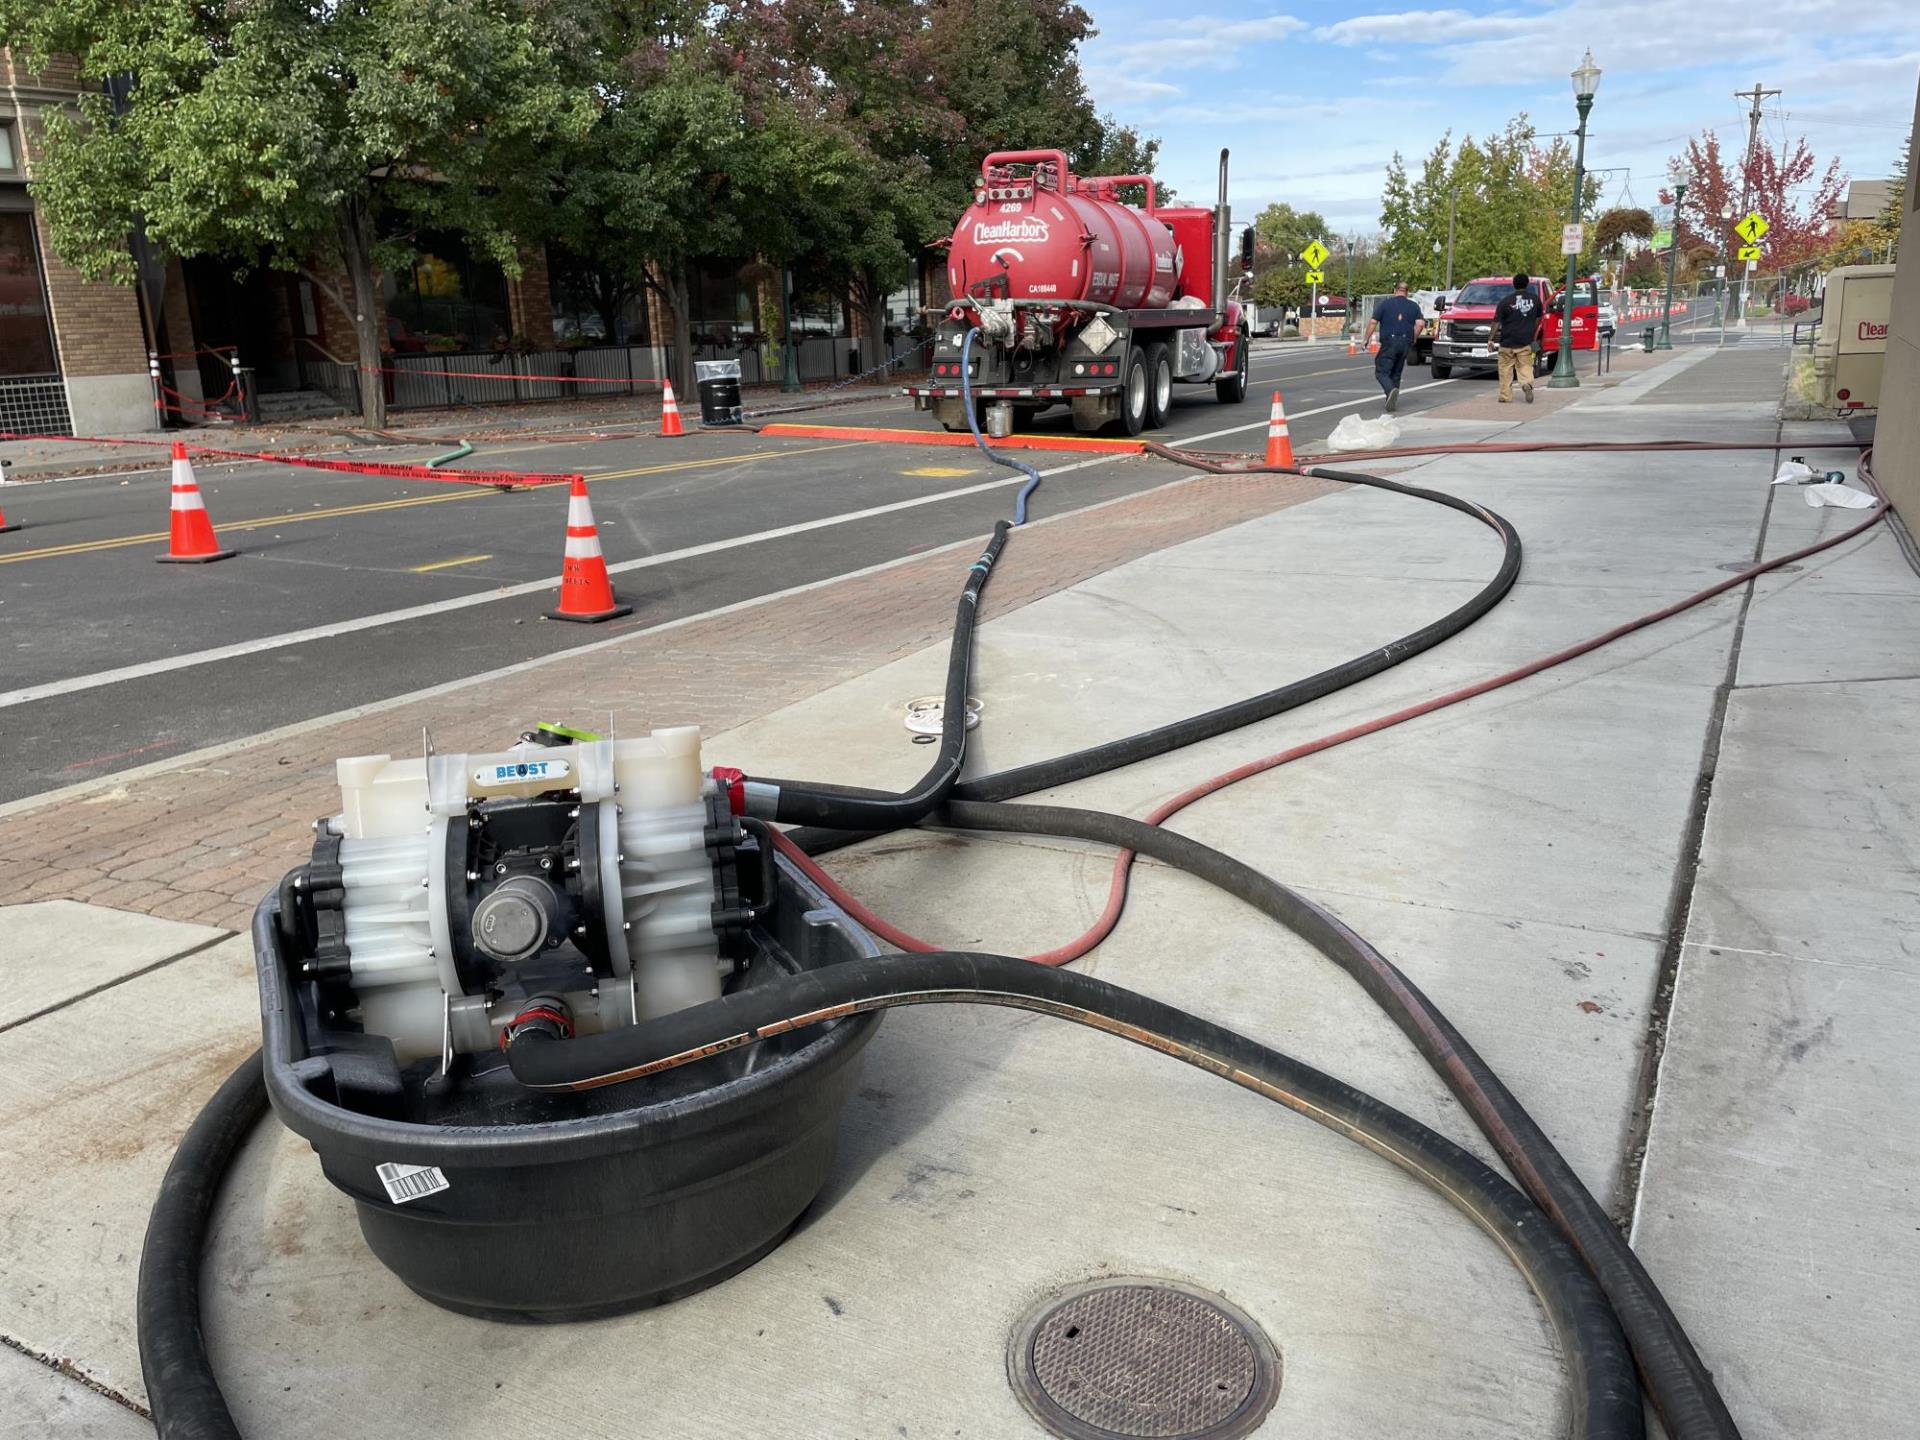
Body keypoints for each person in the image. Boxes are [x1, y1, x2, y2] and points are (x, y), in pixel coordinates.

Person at [1363, 281, 1424, 413]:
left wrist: (1366, 339)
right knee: (1396, 372)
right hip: (1405, 341)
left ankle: (1390, 390)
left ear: (1394, 290)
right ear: (1407, 292)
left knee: (1381, 371)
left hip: (1390, 341)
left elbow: (1373, 322)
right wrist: (1414, 337)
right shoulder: (1413, 306)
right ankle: (1391, 401)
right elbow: (1420, 324)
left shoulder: (1385, 304)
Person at [1492, 273, 1545, 403]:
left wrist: (1490, 338)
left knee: (1505, 369)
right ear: (1527, 284)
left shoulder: (1504, 302)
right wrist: (1532, 330)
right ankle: (1526, 383)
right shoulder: (1535, 300)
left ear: (1513, 284)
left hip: (1507, 342)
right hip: (1526, 341)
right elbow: (1539, 318)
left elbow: (1496, 322)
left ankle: (1505, 396)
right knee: (1526, 366)